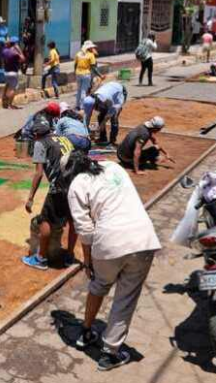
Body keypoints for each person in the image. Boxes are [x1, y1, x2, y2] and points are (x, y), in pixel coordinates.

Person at [63, 151, 161, 371]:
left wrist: (87, 261)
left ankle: (86, 331)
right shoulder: (113, 167)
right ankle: (110, 353)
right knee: (125, 298)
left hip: (108, 242)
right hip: (142, 237)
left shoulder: (76, 185)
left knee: (98, 284)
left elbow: (85, 230)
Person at [22, 118, 77, 270]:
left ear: (35, 134)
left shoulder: (41, 143)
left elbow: (39, 173)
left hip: (59, 188)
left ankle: (41, 259)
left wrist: (31, 198)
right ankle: (70, 255)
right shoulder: (63, 138)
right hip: (77, 184)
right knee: (73, 221)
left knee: (45, 220)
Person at [92, 81, 126, 146]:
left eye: (98, 108)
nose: (97, 110)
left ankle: (112, 141)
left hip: (120, 93)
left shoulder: (109, 101)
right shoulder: (94, 97)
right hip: (111, 90)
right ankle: (103, 138)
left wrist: (102, 124)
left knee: (114, 118)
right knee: (100, 116)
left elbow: (110, 112)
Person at [75, 41, 101, 110]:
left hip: (78, 73)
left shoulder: (78, 54)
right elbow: (93, 67)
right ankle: (82, 106)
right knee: (84, 91)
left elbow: (75, 65)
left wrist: (76, 72)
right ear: (89, 48)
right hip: (86, 74)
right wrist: (100, 75)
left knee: (78, 90)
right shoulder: (90, 55)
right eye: (92, 47)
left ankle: (77, 105)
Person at [1, 36, 25, 110]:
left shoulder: (4, 51)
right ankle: (9, 104)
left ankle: (4, 100)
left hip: (6, 72)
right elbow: (23, 59)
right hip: (13, 73)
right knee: (13, 89)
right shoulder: (15, 53)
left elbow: (2, 59)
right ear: (15, 44)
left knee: (7, 85)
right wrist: (19, 50)